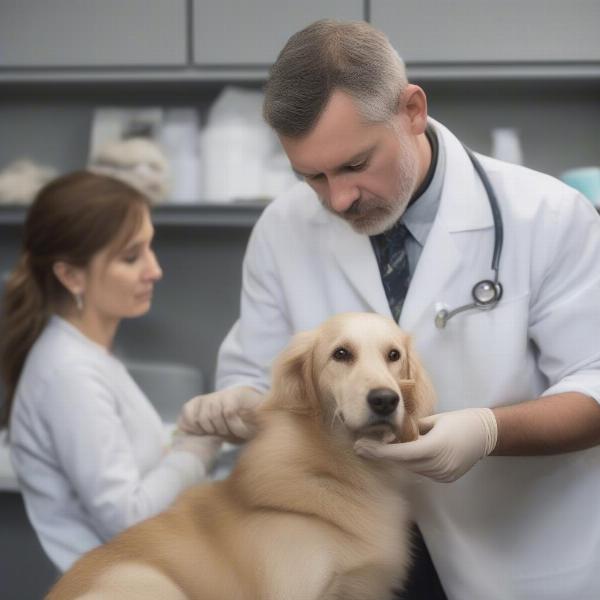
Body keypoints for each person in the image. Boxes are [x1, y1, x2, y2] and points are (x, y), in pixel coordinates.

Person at [178, 19, 600, 600]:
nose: (338, 199)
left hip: (515, 552)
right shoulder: (282, 229)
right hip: (353, 553)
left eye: (354, 165)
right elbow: (260, 377)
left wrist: (487, 430)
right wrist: (241, 402)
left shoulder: (548, 215)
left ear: (412, 111)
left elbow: (596, 383)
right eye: (312, 177)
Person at [0, 171, 220, 573]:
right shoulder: (68, 374)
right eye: (131, 257)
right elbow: (126, 518)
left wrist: (186, 438)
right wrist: (197, 452)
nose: (154, 270)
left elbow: (127, 463)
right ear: (71, 275)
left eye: (150, 248)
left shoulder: (88, 356)